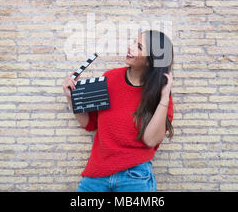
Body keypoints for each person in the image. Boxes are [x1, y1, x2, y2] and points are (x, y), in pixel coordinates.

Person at [62, 30, 174, 192]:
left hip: (135, 177)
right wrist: (71, 97)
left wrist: (164, 97)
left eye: (139, 46)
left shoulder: (160, 93)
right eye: (134, 42)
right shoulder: (110, 77)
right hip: (97, 175)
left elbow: (150, 140)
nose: (131, 47)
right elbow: (90, 123)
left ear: (150, 61)